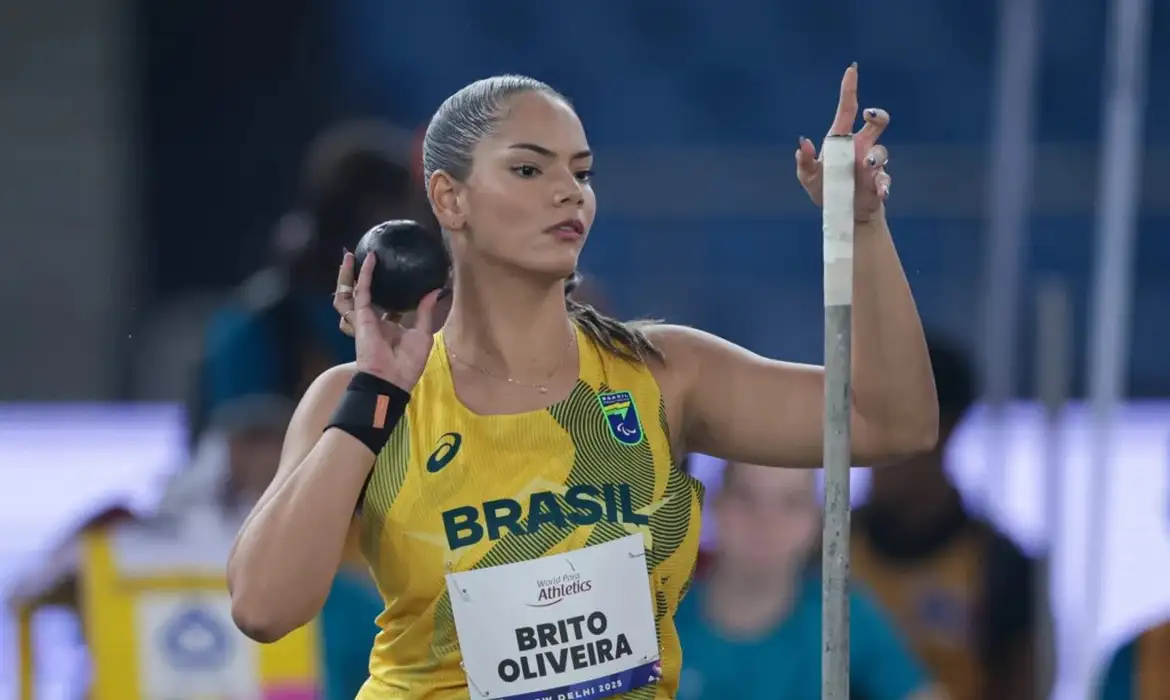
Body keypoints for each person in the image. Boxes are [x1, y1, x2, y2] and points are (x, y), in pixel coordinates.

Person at [228, 67, 939, 700]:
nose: (569, 191)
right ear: (449, 198)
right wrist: (378, 392)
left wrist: (861, 225)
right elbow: (262, 609)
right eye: (529, 169)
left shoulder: (662, 374)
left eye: (583, 172)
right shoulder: (366, 397)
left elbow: (891, 422)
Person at [851, 336, 1052, 700]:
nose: (870, 445)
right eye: (865, 421)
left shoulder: (1001, 567)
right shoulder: (821, 552)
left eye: (889, 423)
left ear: (944, 430)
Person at [674, 462, 941, 700]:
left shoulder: (842, 615)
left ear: (816, 522)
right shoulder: (663, 613)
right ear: (715, 505)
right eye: (745, 497)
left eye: (791, 502)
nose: (766, 523)